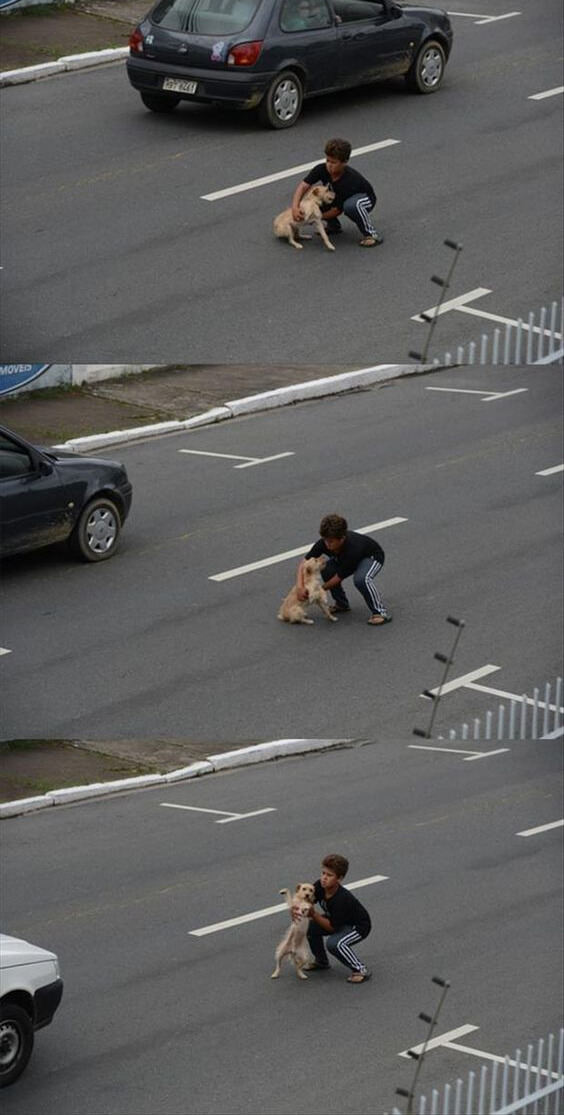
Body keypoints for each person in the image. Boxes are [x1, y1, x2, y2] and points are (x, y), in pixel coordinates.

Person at [296, 512, 392, 626]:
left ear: (342, 538)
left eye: (331, 541)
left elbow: (338, 578)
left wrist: (317, 591)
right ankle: (341, 604)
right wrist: (300, 587)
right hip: (345, 561)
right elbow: (304, 563)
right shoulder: (323, 543)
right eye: (325, 540)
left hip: (370, 558)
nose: (327, 544)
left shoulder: (352, 548)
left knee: (361, 579)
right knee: (327, 569)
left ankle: (380, 612)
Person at [291, 137, 383, 248]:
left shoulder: (349, 180)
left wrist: (314, 218)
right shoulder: (321, 169)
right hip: (338, 197)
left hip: (364, 199)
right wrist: (295, 207)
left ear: (344, 162)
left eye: (334, 162)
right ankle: (334, 226)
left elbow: (337, 210)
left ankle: (371, 234)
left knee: (351, 206)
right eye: (328, 160)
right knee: (317, 199)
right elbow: (303, 186)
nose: (329, 165)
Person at [303, 854, 372, 983]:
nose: (324, 878)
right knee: (308, 927)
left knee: (335, 944)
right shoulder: (320, 886)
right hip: (338, 921)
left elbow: (332, 927)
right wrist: (301, 908)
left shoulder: (341, 899)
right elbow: (307, 900)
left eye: (329, 875)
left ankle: (360, 969)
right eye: (323, 873)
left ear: (339, 879)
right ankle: (321, 961)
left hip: (358, 927)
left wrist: (313, 914)